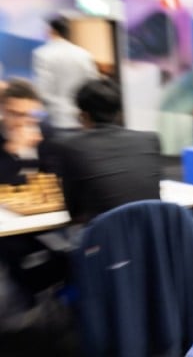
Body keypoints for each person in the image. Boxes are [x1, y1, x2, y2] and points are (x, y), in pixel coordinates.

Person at [51, 79, 162, 224]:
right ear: (119, 113)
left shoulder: (70, 146)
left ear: (83, 116)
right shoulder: (150, 139)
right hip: (154, 239)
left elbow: (74, 212)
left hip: (103, 244)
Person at [0, 79, 66, 313]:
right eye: (15, 114)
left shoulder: (46, 133)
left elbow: (56, 178)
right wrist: (15, 151)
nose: (23, 121)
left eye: (30, 114)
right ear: (4, 112)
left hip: (46, 221)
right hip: (10, 229)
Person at [32, 15, 98, 129]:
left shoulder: (42, 54)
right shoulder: (84, 54)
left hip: (56, 119)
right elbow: (93, 84)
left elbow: (42, 90)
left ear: (51, 30)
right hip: (82, 117)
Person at [0, 78, 56, 184]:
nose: (21, 122)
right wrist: (12, 151)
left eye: (30, 115)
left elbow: (53, 175)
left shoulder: (44, 131)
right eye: (15, 114)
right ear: (2, 109)